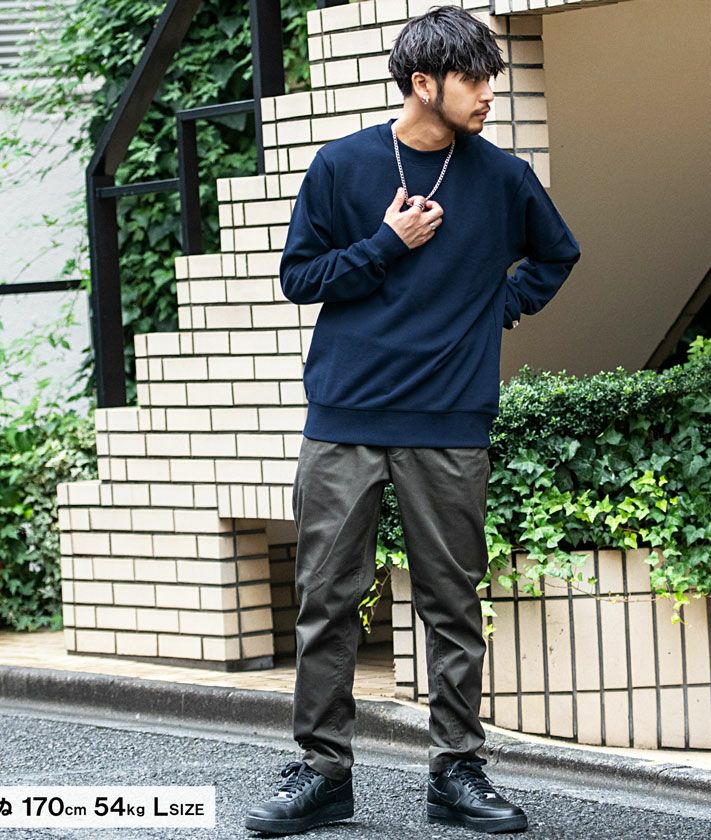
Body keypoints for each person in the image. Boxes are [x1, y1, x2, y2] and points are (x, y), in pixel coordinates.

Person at [245, 4, 580, 835]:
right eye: (474, 79)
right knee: (326, 601)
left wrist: (496, 306)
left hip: (450, 420)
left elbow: (557, 253)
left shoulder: (503, 177)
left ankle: (457, 771)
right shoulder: (343, 165)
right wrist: (387, 244)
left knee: (451, 604)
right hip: (345, 417)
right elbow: (299, 277)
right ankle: (324, 772)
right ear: (423, 83)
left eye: (491, 78)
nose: (489, 94)